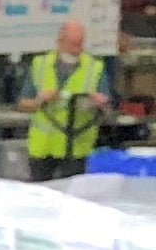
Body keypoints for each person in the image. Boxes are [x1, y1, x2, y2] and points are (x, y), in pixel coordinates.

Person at [20, 20, 109, 179]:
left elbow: (107, 107)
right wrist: (40, 100)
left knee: (73, 193)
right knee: (41, 193)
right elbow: (23, 104)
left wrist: (100, 103)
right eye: (72, 44)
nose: (77, 49)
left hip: (77, 148)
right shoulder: (40, 64)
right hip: (43, 148)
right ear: (60, 42)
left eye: (80, 43)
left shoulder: (94, 67)